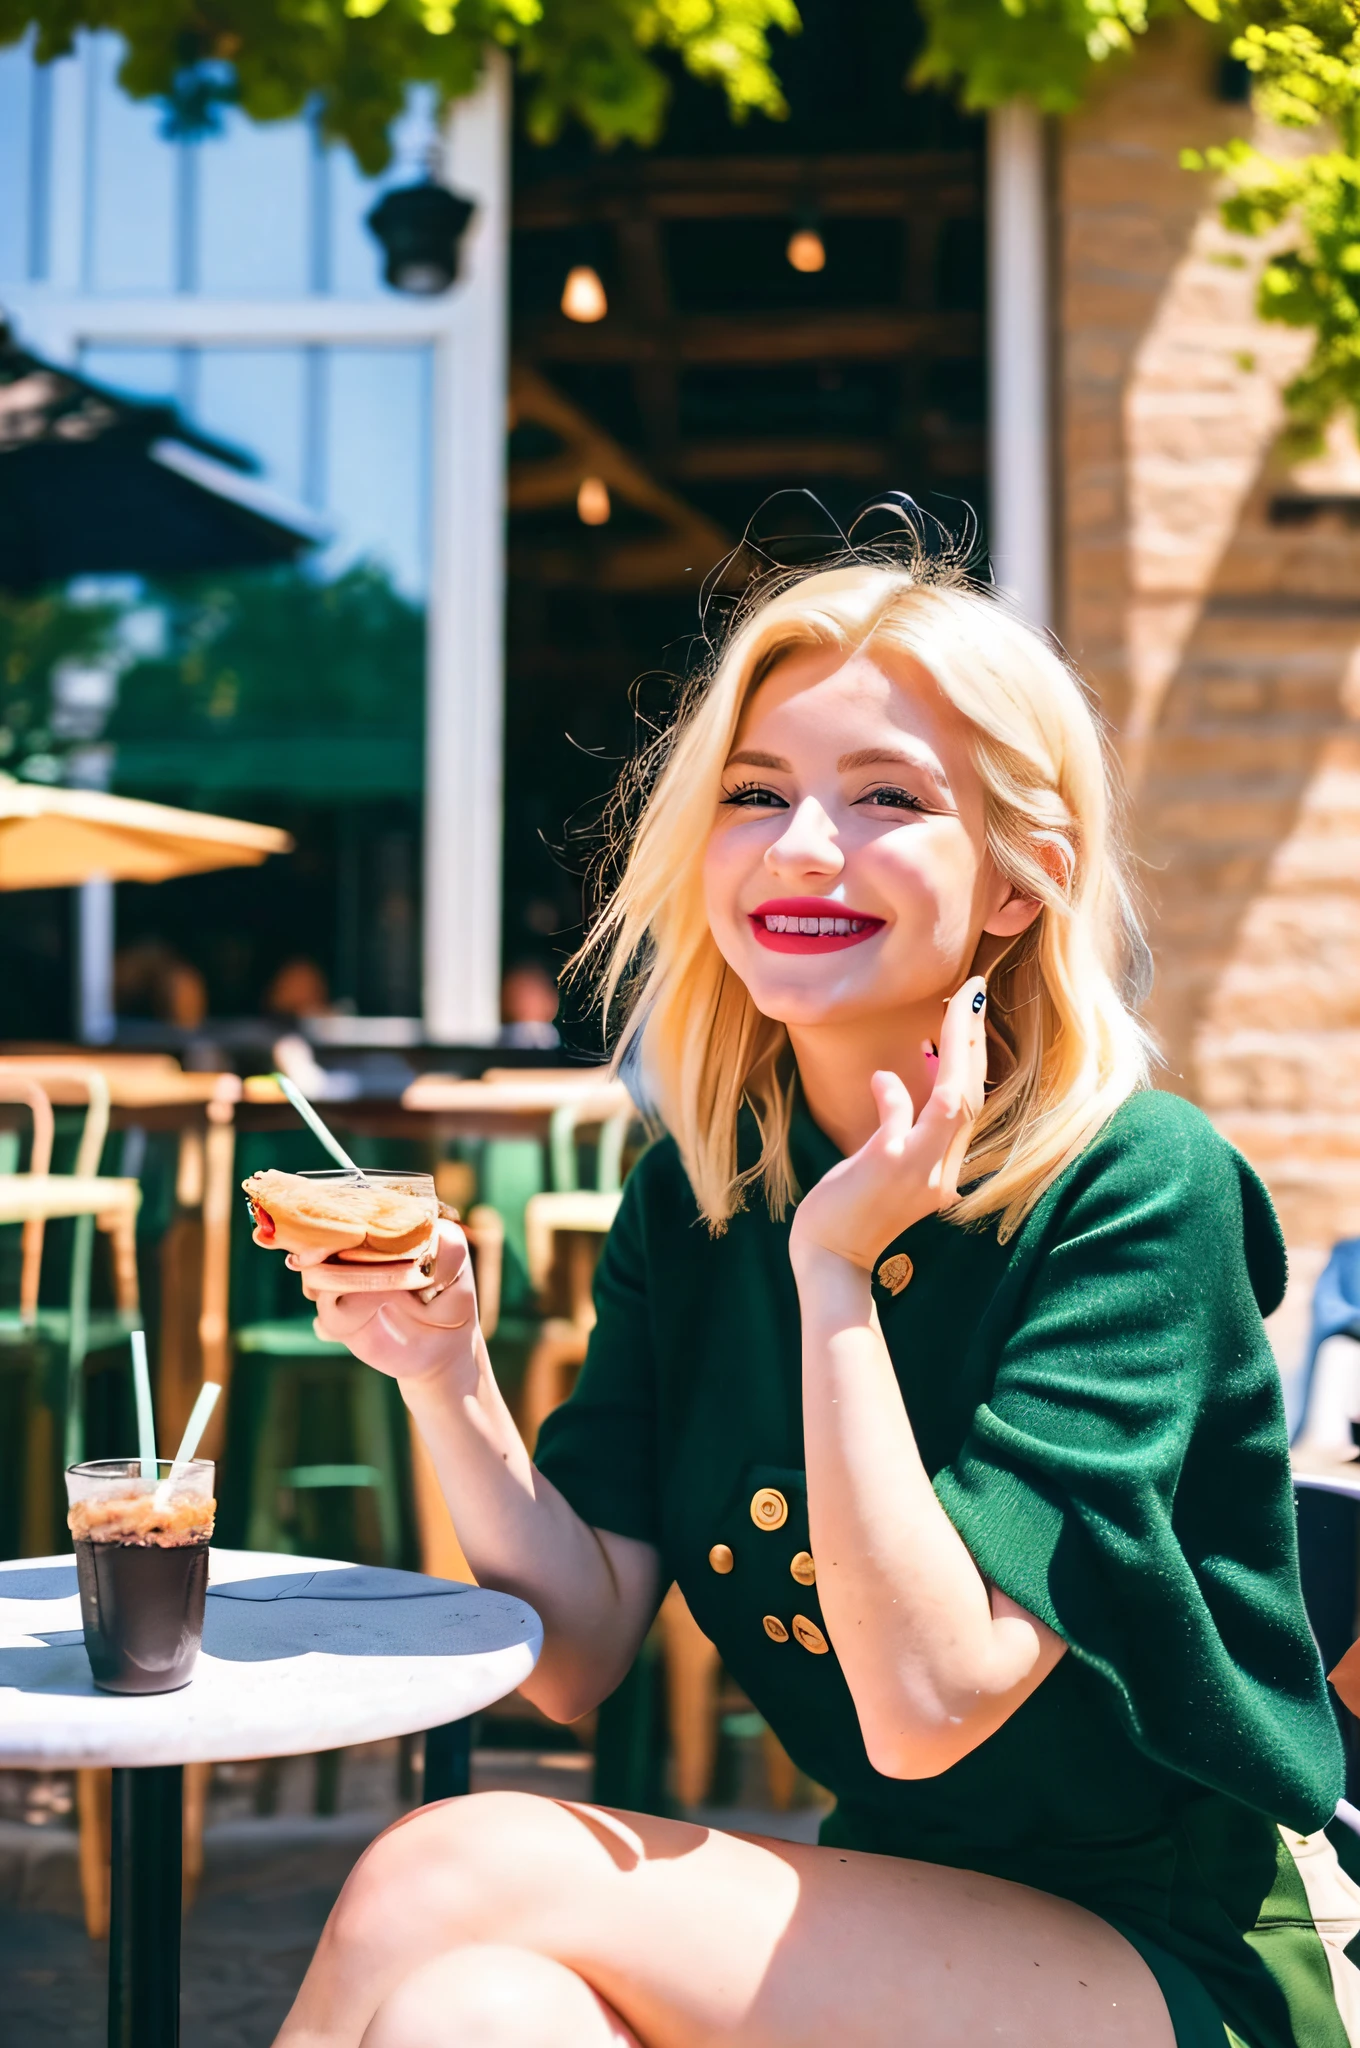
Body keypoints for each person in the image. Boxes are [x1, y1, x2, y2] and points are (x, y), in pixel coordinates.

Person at [275, 552, 1356, 2048]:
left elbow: (927, 1704)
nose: (800, 847)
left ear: (1019, 877)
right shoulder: (701, 1189)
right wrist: (442, 1373)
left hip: (1160, 1966)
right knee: (479, 2006)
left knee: (448, 1866)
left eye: (889, 799)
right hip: (885, 1928)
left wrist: (835, 1271)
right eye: (756, 791)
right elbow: (575, 1655)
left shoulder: (1137, 1188)